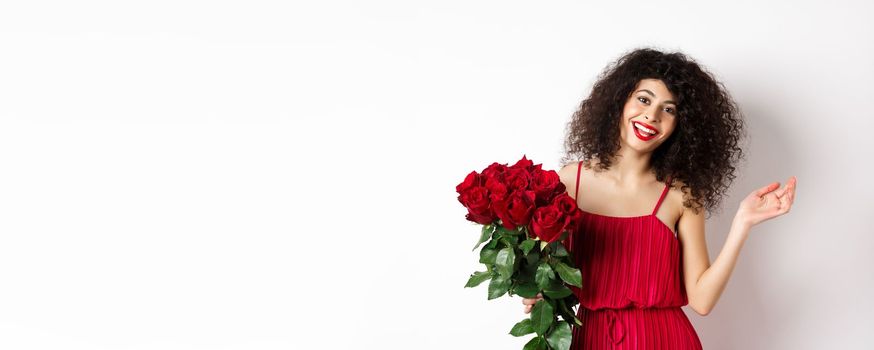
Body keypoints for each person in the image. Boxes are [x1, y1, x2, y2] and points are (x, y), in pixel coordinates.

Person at [520, 47, 797, 349]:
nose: (651, 116)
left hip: (665, 340)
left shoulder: (681, 195)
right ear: (619, 101)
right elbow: (553, 275)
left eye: (669, 109)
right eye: (643, 99)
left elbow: (701, 301)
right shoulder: (569, 182)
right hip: (592, 339)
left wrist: (742, 223)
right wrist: (534, 289)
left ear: (681, 125)